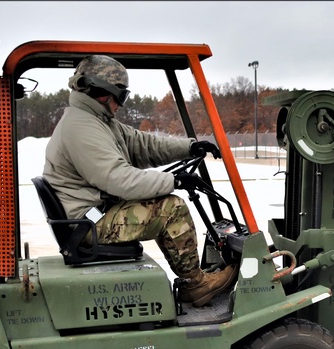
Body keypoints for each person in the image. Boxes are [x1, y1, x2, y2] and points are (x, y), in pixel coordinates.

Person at [43, 55, 236, 307]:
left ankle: (192, 280)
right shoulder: (82, 128)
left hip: (92, 215)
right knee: (170, 209)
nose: (121, 105)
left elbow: (142, 144)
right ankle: (195, 285)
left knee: (159, 202)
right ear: (104, 92)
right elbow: (118, 179)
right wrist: (173, 181)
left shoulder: (97, 121)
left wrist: (190, 147)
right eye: (121, 97)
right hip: (87, 224)